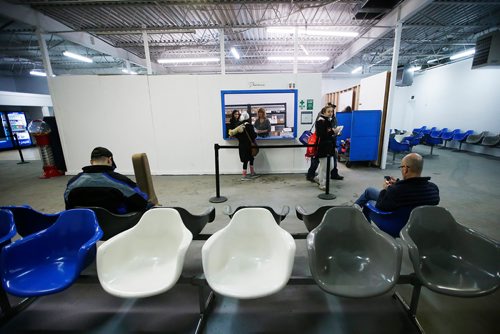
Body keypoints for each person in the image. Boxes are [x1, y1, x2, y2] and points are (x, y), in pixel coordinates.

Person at [64, 147, 153, 213]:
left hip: (86, 226)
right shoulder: (120, 181)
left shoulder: (72, 182)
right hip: (117, 226)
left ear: (91, 162)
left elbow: (69, 208)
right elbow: (141, 202)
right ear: (110, 160)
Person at [353, 153, 440, 211]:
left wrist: (385, 190)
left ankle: (351, 212)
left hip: (394, 222)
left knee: (368, 199)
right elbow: (412, 186)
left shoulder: (395, 191)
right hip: (416, 223)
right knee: (370, 190)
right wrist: (398, 183)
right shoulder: (433, 189)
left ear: (405, 169)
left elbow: (380, 206)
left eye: (401, 167)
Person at [315, 105, 342, 190]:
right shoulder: (321, 121)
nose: (331, 113)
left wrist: (335, 132)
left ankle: (318, 177)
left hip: (329, 147)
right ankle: (322, 183)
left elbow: (328, 133)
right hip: (323, 147)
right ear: (324, 112)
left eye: (332, 111)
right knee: (324, 167)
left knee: (331, 166)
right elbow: (321, 134)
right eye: (328, 111)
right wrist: (333, 131)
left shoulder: (327, 120)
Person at [228, 111, 258, 181]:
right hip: (250, 146)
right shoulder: (249, 126)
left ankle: (244, 175)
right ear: (248, 118)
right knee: (251, 158)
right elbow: (254, 136)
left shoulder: (238, 126)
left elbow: (236, 135)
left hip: (242, 145)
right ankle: (252, 173)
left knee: (245, 160)